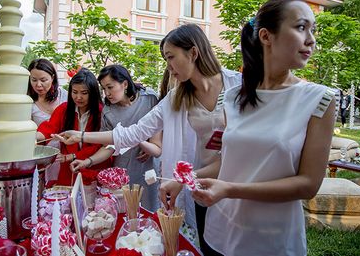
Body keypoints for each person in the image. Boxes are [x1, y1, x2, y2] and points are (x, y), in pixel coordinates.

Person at [52, 24, 242, 252]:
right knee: (210, 244)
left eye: (171, 57)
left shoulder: (239, 85)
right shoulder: (176, 98)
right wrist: (81, 135)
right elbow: (133, 132)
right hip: (200, 184)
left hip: (238, 184)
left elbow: (245, 149)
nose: (169, 67)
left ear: (193, 52)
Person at [191, 0, 335, 256]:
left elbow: (308, 184)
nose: (311, 39)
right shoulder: (232, 98)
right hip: (219, 231)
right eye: (301, 27)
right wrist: (187, 179)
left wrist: (231, 189)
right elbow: (228, 160)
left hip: (271, 242)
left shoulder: (319, 100)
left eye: (313, 29)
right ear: (267, 36)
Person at [70, 65, 162, 211]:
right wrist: (88, 161)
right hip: (122, 171)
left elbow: (157, 147)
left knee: (149, 213)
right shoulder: (108, 112)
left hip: (148, 169)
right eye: (104, 89)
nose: (107, 93)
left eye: (110, 87)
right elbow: (108, 146)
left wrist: (141, 140)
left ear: (124, 84)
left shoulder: (149, 99)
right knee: (125, 213)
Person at [36, 68, 111, 186]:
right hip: (69, 171)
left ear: (93, 92)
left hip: (95, 168)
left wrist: (73, 156)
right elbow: (49, 129)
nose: (78, 97)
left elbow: (101, 144)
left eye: (84, 93)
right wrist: (33, 137)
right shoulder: (64, 109)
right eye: (74, 92)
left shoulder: (102, 112)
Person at [27, 58, 68, 126]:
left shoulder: (64, 95)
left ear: (52, 78)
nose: (38, 85)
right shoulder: (28, 102)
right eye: (34, 80)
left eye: (43, 80)